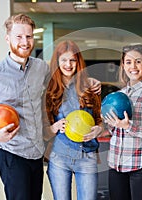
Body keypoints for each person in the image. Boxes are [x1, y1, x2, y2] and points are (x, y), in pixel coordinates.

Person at [0, 14, 101, 200]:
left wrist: (87, 80)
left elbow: (65, 77)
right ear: (8, 38)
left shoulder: (41, 68)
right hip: (12, 152)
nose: (25, 42)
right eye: (18, 36)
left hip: (36, 154)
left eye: (29, 36)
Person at [102, 44, 142, 200]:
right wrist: (109, 123)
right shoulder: (119, 94)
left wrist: (129, 126)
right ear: (123, 65)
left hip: (140, 165)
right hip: (116, 163)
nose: (133, 66)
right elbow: (114, 131)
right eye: (128, 62)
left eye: (138, 61)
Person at [44, 40, 103, 200]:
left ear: (78, 62)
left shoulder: (90, 87)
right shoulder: (49, 90)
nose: (68, 64)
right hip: (59, 157)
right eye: (63, 60)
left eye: (72, 60)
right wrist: (54, 127)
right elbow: (42, 129)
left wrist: (99, 129)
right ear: (57, 62)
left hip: (86, 155)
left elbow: (99, 120)